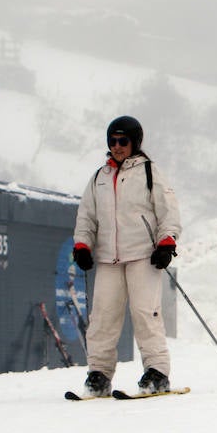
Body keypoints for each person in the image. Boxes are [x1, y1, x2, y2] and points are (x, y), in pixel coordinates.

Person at [72, 116, 182, 395]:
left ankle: (156, 372)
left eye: (123, 141)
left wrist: (166, 243)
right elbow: (86, 217)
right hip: (109, 258)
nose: (117, 146)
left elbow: (167, 209)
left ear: (135, 142)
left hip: (143, 256)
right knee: (103, 317)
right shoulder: (99, 177)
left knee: (146, 313)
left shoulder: (148, 172)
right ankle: (99, 375)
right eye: (113, 141)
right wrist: (82, 245)